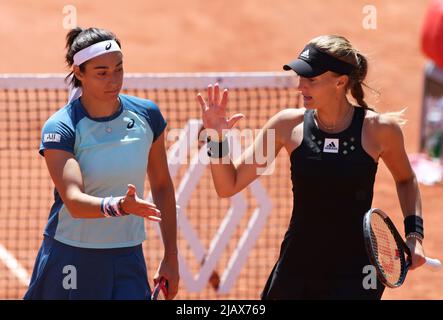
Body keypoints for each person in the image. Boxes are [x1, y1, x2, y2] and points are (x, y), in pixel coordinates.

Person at [197, 35, 427, 299]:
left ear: (340, 82)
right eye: (300, 77)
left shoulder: (379, 130)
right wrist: (216, 139)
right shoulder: (286, 126)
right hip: (297, 267)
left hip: (354, 274)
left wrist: (414, 237)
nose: (300, 86)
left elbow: (406, 180)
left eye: (311, 79)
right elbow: (229, 185)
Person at [24, 27, 179, 300]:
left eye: (118, 69)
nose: (114, 80)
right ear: (79, 73)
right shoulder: (61, 127)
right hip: (72, 256)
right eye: (102, 73)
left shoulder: (147, 116)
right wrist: (120, 206)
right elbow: (73, 200)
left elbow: (163, 185)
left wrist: (171, 256)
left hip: (128, 255)